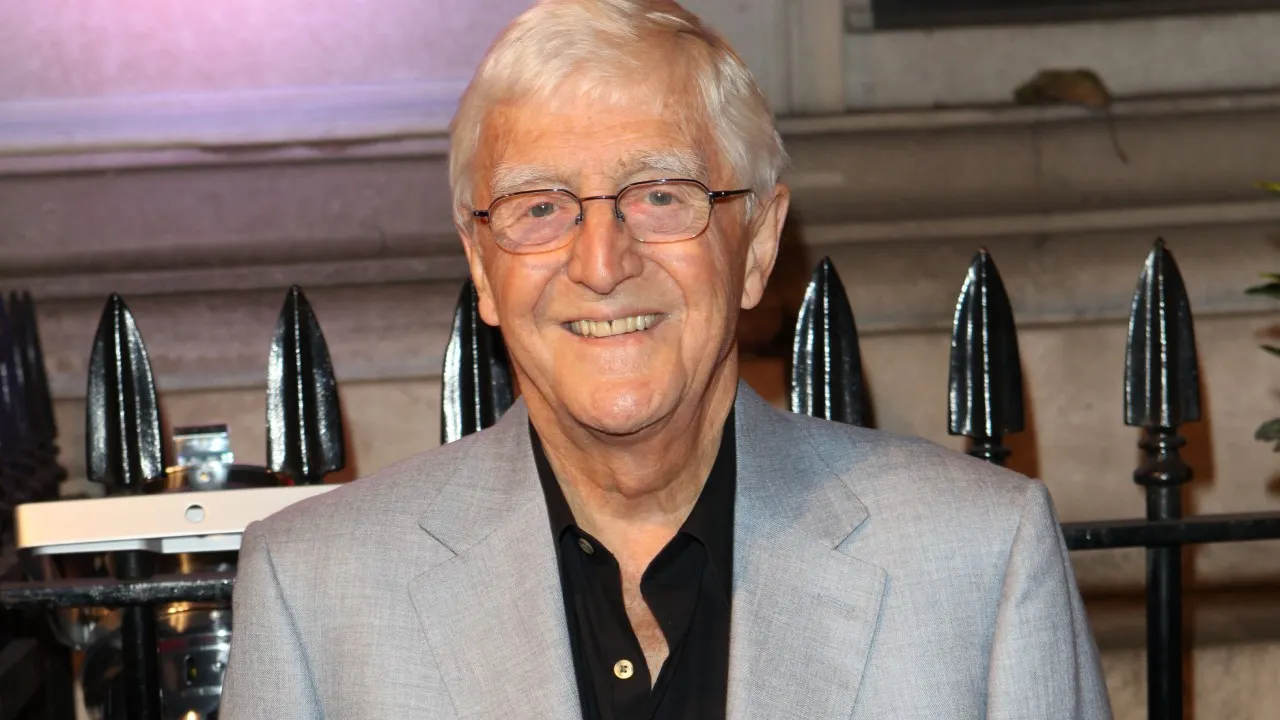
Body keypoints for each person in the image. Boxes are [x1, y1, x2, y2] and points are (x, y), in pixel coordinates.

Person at [221, 1, 1112, 718]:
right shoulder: (316, 590)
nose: (602, 262)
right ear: (482, 270)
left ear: (758, 244)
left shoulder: (978, 561)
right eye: (539, 207)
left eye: (658, 194)